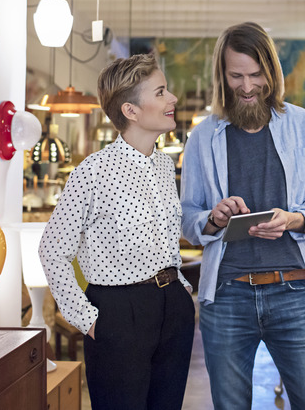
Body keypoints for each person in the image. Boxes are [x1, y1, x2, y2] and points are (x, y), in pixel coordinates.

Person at [180, 22, 305, 409]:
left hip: (294, 291)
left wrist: (293, 219)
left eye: (255, 75)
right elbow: (187, 219)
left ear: (271, 72)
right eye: (236, 76)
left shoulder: (304, 126)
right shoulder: (202, 137)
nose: (247, 87)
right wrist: (214, 219)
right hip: (227, 295)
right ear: (222, 75)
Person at [39, 53, 194, 410]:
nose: (172, 99)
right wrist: (86, 319)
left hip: (173, 307)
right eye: (160, 92)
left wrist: (181, 291)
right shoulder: (92, 172)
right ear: (131, 110)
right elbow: (52, 250)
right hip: (118, 313)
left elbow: (166, 240)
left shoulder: (164, 164)